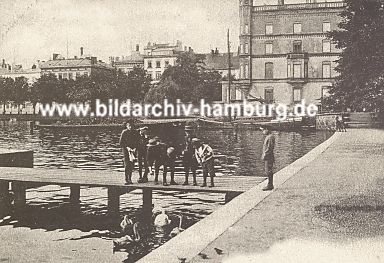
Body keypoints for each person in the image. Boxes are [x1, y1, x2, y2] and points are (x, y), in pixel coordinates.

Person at [119, 120, 139, 185]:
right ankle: (126, 179)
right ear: (127, 126)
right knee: (127, 164)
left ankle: (130, 178)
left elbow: (138, 141)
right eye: (129, 126)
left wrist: (135, 148)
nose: (130, 127)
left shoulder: (135, 132)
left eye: (131, 126)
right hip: (126, 149)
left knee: (131, 164)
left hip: (133, 150)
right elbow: (121, 143)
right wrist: (127, 147)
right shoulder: (124, 132)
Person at [260, 125, 275, 191]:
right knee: (267, 170)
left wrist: (264, 155)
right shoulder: (269, 137)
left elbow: (269, 148)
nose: (263, 132)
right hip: (268, 156)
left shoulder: (270, 137)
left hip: (268, 156)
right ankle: (270, 184)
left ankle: (270, 185)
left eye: (263, 130)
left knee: (268, 170)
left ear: (267, 129)